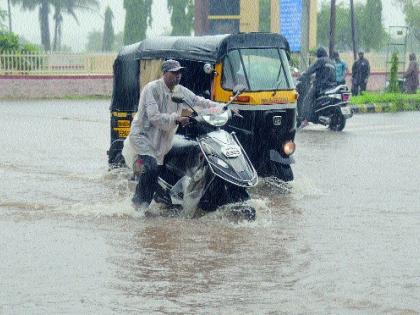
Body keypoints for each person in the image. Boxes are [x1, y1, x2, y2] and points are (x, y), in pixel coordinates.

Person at [122, 59, 224, 210]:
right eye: (174, 72)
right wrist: (176, 118)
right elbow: (154, 117)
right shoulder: (151, 89)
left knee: (194, 150)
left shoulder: (180, 90)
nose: (178, 76)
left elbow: (198, 101)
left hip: (163, 138)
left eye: (180, 72)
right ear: (164, 73)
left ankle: (182, 195)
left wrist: (223, 107)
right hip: (143, 137)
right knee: (151, 168)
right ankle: (138, 206)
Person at [300, 47, 336, 128]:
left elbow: (310, 70)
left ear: (319, 54)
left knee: (307, 100)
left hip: (320, 86)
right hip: (332, 86)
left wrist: (303, 75)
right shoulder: (331, 61)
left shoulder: (320, 61)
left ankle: (304, 120)